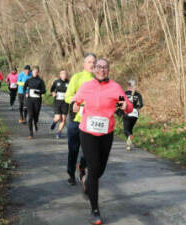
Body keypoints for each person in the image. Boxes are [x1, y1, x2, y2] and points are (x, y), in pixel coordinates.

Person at [72, 58, 133, 225]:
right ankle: (95, 210)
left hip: (106, 133)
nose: (102, 70)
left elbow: (127, 105)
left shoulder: (115, 87)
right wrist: (75, 106)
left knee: (99, 171)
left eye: (105, 67)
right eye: (98, 67)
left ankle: (85, 179)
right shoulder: (86, 86)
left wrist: (124, 106)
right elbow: (76, 100)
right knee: (94, 170)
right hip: (88, 132)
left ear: (109, 70)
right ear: (94, 69)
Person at [65, 53, 96, 186]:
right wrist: (75, 104)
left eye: (94, 62)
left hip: (91, 121)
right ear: (84, 64)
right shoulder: (77, 78)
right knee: (73, 149)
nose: (92, 64)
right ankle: (71, 174)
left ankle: (82, 168)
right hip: (75, 120)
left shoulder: (99, 80)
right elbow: (68, 96)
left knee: (89, 150)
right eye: (89, 62)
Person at [23, 66, 46, 139]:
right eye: (34, 71)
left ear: (38, 72)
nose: (35, 73)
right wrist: (26, 93)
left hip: (37, 100)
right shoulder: (29, 80)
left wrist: (38, 92)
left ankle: (35, 123)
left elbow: (44, 91)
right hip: (30, 100)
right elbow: (24, 87)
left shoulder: (40, 81)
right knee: (30, 116)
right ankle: (31, 133)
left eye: (36, 71)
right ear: (32, 72)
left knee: (36, 116)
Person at [123, 79, 143, 151]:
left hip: (127, 112)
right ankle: (128, 145)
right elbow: (141, 105)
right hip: (135, 113)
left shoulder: (124, 93)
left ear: (128, 86)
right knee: (130, 128)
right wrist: (137, 108)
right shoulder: (138, 94)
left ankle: (129, 136)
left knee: (126, 130)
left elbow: (120, 103)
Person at [50, 70, 70, 139]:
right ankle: (54, 122)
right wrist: (53, 93)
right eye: (62, 74)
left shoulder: (69, 82)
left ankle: (59, 132)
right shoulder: (56, 82)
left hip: (65, 102)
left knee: (63, 119)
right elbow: (51, 89)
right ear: (60, 75)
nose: (64, 75)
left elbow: (72, 91)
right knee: (58, 117)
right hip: (57, 102)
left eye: (65, 74)